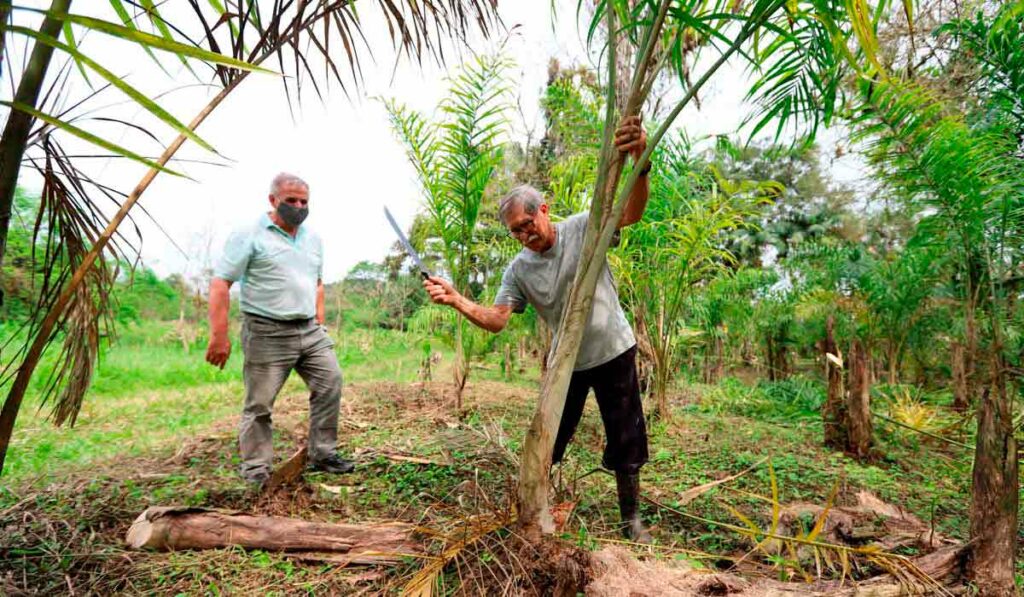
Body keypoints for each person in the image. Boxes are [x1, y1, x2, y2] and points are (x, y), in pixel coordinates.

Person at [423, 116, 654, 542]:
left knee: (626, 438)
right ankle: (537, 509)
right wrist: (457, 299)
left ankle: (632, 522)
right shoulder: (519, 270)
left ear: (544, 210)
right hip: (568, 362)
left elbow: (632, 213)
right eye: (516, 232)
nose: (525, 235)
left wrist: (641, 157)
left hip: (613, 349)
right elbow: (496, 320)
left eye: (529, 224)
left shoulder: (584, 227)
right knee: (550, 437)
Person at [205, 172, 353, 486]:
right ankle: (256, 470)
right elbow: (221, 284)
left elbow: (317, 284)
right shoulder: (249, 234)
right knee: (259, 403)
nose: (299, 207)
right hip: (267, 332)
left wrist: (320, 324)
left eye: (304, 202)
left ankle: (323, 453)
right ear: (273, 200)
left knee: (331, 382)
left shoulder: (313, 239)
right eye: (291, 201)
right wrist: (219, 335)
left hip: (309, 330)